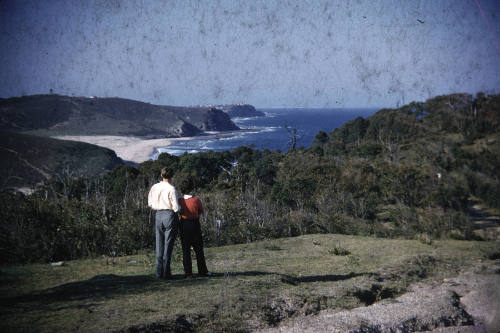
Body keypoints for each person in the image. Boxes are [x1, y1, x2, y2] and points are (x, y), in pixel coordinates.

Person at [148, 167, 180, 279]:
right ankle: (166, 273)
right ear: (172, 176)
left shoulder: (154, 187)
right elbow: (176, 207)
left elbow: (150, 203)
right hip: (169, 215)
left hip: (158, 215)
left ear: (162, 175)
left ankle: (158, 273)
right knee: (168, 245)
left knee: (159, 245)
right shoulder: (172, 189)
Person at [178, 177, 211, 278]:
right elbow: (201, 211)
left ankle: (188, 273)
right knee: (198, 249)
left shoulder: (179, 200)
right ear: (191, 188)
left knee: (186, 250)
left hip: (184, 224)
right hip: (195, 224)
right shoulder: (196, 200)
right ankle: (203, 271)